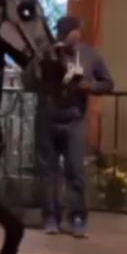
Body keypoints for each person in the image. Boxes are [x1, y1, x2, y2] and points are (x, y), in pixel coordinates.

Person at [32, 16, 114, 238]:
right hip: (47, 119)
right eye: (61, 31)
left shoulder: (89, 55)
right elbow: (29, 81)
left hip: (75, 121)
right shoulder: (47, 53)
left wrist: (91, 86)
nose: (65, 35)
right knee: (49, 172)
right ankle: (51, 217)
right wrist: (41, 67)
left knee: (75, 171)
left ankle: (78, 218)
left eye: (69, 31)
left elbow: (108, 83)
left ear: (78, 32)